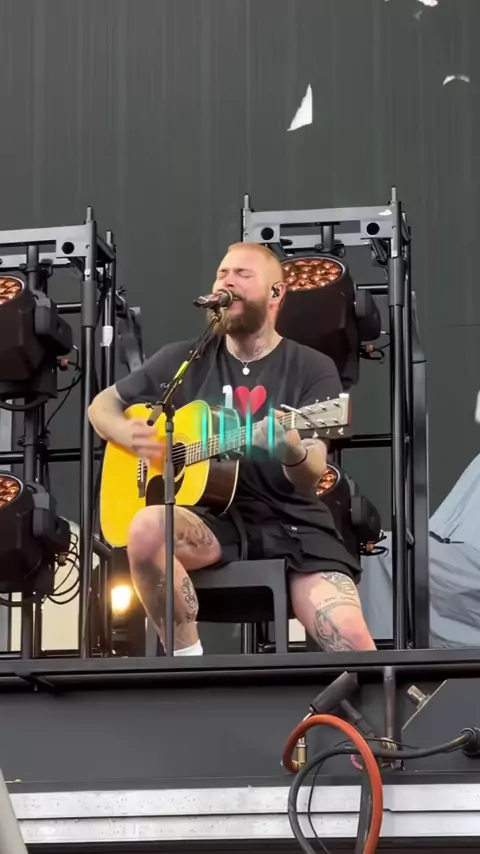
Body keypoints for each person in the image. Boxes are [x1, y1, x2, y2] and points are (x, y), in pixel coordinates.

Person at [88, 242, 376, 656]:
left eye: (243, 274)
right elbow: (101, 406)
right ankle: (188, 667)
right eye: (222, 273)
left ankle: (378, 699)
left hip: (291, 523)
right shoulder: (184, 359)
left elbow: (311, 471)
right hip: (209, 520)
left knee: (350, 638)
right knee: (146, 526)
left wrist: (290, 451)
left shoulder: (312, 367)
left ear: (276, 293)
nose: (227, 282)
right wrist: (129, 434)